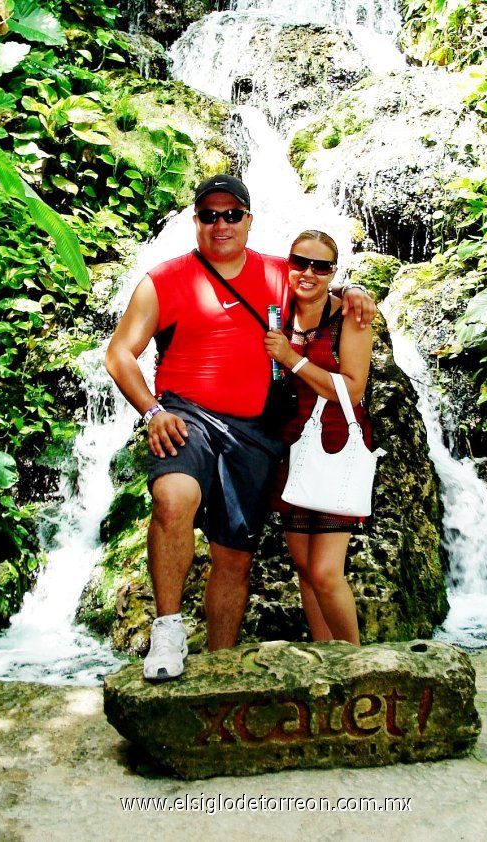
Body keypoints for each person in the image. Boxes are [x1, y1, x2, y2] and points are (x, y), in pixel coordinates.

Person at [105, 174, 376, 680]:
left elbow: (320, 288)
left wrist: (356, 292)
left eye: (232, 214)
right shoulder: (163, 280)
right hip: (184, 415)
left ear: (249, 221)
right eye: (209, 214)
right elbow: (119, 353)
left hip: (253, 430)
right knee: (173, 498)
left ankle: (220, 665)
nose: (221, 223)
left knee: (234, 556)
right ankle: (167, 629)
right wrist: (151, 411)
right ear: (196, 222)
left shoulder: (279, 272)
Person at [264, 230, 373, 645]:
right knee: (306, 571)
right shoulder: (276, 310)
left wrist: (291, 359)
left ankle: (357, 663)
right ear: (286, 263)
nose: (309, 272)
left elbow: (353, 388)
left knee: (327, 571)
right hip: (289, 445)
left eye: (321, 266)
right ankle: (328, 658)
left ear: (333, 272)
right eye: (300, 262)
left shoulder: (350, 316)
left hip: (336, 443)